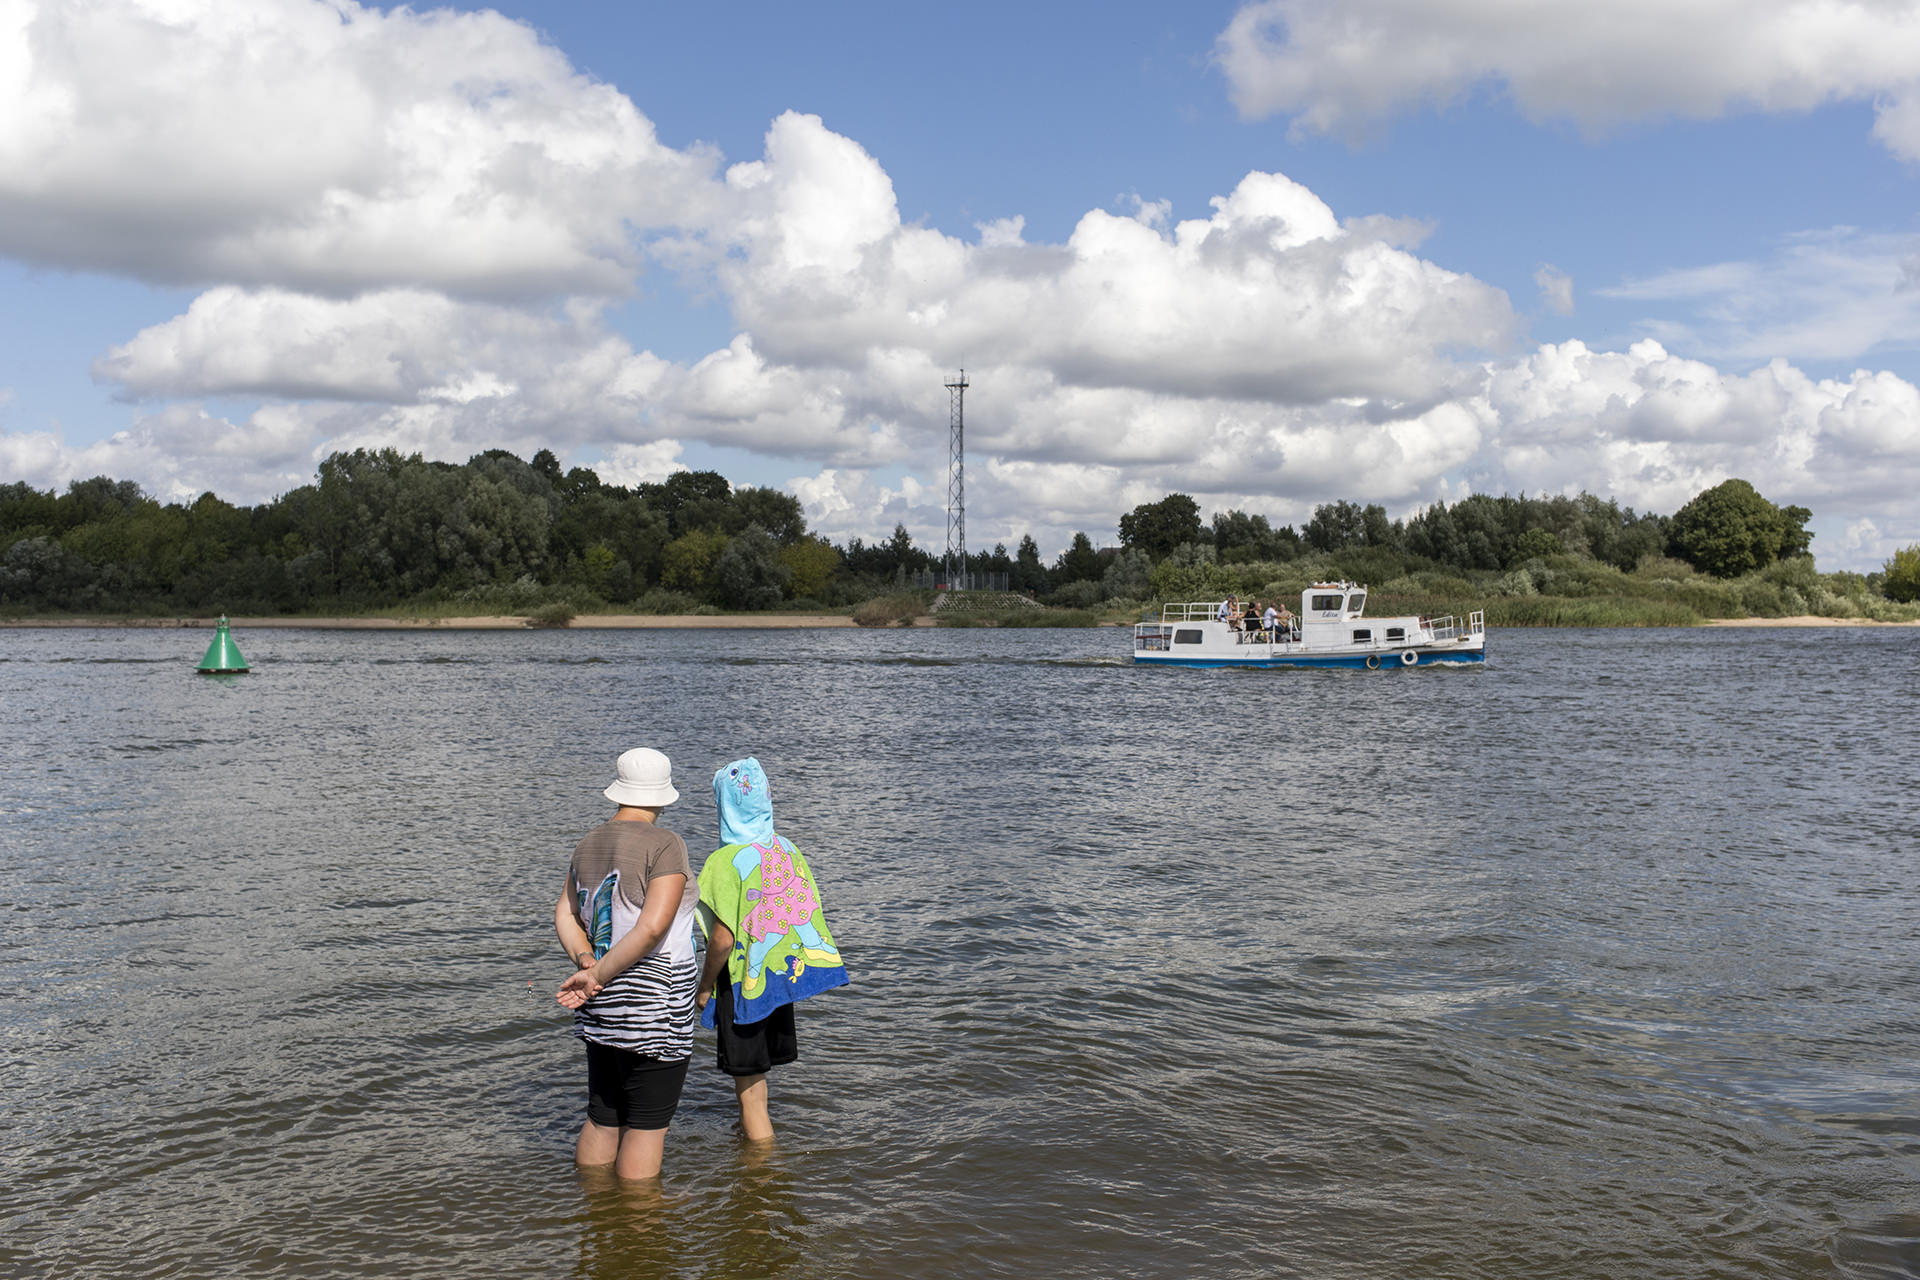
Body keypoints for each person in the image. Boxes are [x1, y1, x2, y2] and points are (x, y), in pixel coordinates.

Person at [554, 747, 700, 1180]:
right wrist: (596, 973)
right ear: (662, 795)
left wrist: (588, 962)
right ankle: (637, 1217)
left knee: (603, 1114)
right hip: (654, 1002)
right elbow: (653, 928)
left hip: (599, 999)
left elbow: (564, 913)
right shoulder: (666, 844)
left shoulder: (589, 842)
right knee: (647, 1126)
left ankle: (595, 1205)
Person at [695, 757, 849, 1142]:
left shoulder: (722, 863)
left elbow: (723, 939)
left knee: (748, 1091)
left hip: (741, 985)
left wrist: (704, 987)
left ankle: (761, 1170)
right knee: (757, 1082)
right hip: (775, 984)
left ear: (724, 806)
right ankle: (751, 1146)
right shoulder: (786, 848)